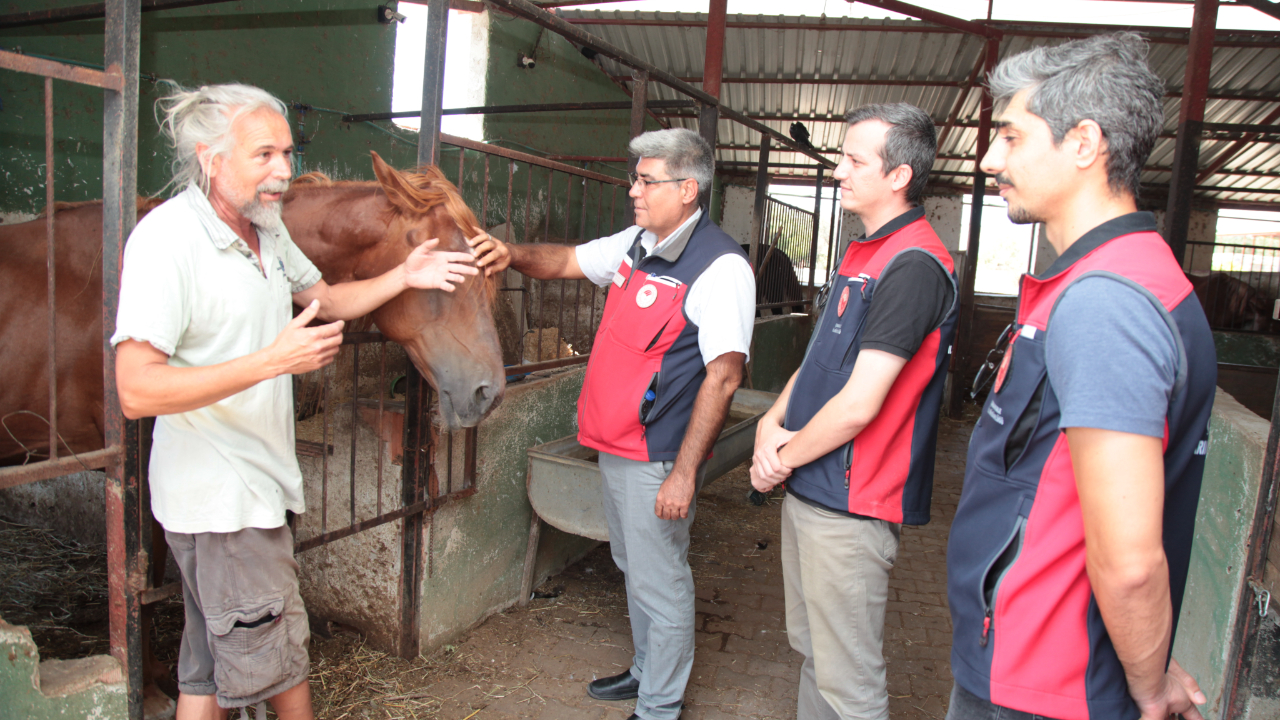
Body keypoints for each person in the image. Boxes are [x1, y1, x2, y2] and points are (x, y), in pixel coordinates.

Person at [111, 83, 477, 720]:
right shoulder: (167, 241)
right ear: (210, 158)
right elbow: (136, 387)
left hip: (254, 491)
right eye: (263, 155)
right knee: (282, 671)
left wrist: (404, 276)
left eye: (286, 151)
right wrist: (272, 362)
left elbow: (326, 300)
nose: (283, 170)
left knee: (204, 675)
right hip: (224, 506)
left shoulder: (265, 230)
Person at [945, 33, 1216, 720]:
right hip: (1034, 662)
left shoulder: (1106, 304)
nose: (989, 158)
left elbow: (1129, 562)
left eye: (1010, 137)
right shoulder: (1110, 281)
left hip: (1044, 681)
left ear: (1084, 142)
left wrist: (1149, 686)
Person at [469, 128, 754, 720]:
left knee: (660, 576)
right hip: (616, 442)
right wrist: (510, 253)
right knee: (633, 565)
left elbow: (724, 377)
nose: (634, 191)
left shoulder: (720, 267)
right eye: (636, 178)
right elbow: (568, 260)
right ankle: (647, 671)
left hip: (658, 454)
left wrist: (684, 473)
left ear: (687, 188)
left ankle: (660, 705)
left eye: (647, 181)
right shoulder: (636, 243)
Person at [750, 102, 957, 720]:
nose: (839, 170)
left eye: (853, 160)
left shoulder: (913, 266)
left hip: (851, 499)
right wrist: (769, 420)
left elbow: (860, 404)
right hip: (813, 486)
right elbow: (818, 360)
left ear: (899, 176)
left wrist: (776, 459)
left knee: (850, 683)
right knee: (814, 652)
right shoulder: (865, 253)